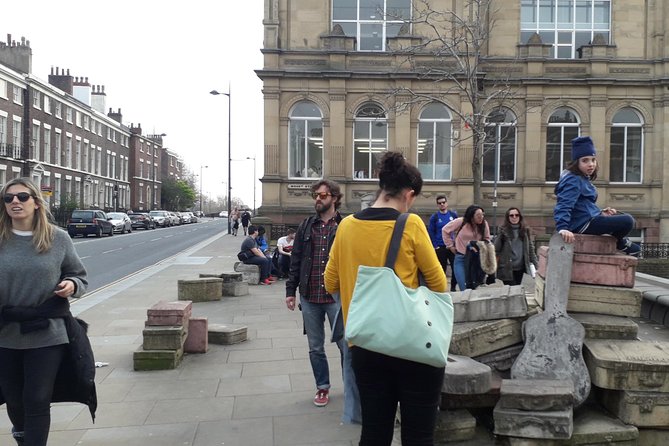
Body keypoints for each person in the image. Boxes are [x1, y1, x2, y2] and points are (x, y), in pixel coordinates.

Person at [324, 151, 447, 445]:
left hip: (365, 344)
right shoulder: (412, 224)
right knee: (418, 436)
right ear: (408, 193)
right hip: (413, 345)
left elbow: (330, 281)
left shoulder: (347, 226)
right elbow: (439, 284)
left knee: (374, 433)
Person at [0, 178, 90, 445]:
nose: (15, 201)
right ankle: (22, 435)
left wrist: (71, 285)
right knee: (14, 399)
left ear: (36, 203)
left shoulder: (57, 238)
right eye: (8, 198)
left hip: (47, 331)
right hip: (5, 331)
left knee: (37, 398)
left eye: (22, 197)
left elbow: (79, 276)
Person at [285, 179, 344, 408]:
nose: (318, 199)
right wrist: (291, 291)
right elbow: (296, 259)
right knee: (315, 348)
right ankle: (322, 387)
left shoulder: (346, 225)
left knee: (345, 346)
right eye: (316, 196)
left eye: (323, 195)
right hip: (309, 296)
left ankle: (351, 386)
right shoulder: (306, 226)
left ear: (335, 198)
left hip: (336, 297)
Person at [555, 136, 641, 256]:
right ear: (576, 162)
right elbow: (564, 204)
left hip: (587, 219)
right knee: (628, 220)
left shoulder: (582, 178)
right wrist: (562, 228)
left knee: (623, 217)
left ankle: (620, 242)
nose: (591, 164)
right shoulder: (573, 179)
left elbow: (582, 205)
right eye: (585, 160)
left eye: (593, 160)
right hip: (581, 224)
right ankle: (621, 243)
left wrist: (600, 212)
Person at [442, 204, 492, 291]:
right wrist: (450, 246)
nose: (481, 217)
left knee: (474, 287)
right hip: (461, 258)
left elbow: (487, 239)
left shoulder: (484, 224)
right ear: (472, 216)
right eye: (478, 215)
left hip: (475, 259)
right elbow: (445, 230)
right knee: (464, 287)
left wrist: (480, 247)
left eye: (482, 215)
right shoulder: (461, 222)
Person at [494, 207, 538, 286]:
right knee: (512, 289)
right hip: (507, 268)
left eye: (516, 215)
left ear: (520, 217)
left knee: (517, 288)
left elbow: (530, 249)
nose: (514, 217)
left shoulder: (525, 230)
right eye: (511, 215)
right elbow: (496, 248)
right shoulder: (503, 231)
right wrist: (501, 234)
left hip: (520, 267)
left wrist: (537, 265)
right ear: (508, 217)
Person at [427, 194, 458, 291]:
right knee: (441, 269)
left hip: (451, 246)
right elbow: (431, 232)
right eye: (440, 203)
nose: (442, 204)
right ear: (437, 205)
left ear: (447, 203)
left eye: (443, 202)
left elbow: (458, 229)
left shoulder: (453, 215)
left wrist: (457, 243)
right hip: (440, 247)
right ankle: (442, 287)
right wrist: (435, 246)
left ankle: (453, 287)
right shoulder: (435, 217)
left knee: (455, 268)